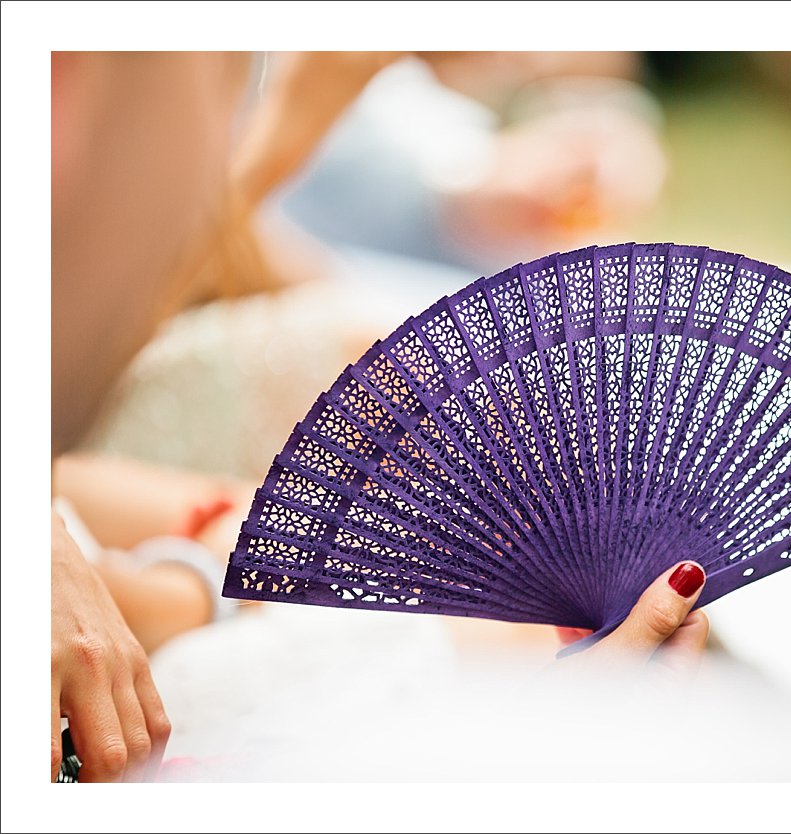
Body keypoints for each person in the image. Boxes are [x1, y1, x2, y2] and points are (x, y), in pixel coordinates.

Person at [50, 51, 707, 782]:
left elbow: (268, 258)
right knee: (525, 625)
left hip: (128, 521)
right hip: (131, 507)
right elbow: (129, 254)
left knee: (503, 462)